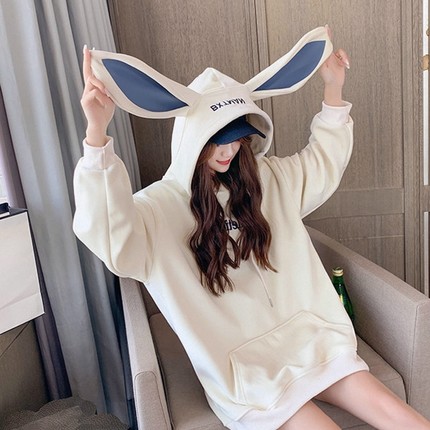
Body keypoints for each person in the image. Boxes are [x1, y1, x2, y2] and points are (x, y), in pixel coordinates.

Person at [73, 26, 430, 430]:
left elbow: (321, 163)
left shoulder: (265, 180)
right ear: (193, 138)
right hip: (246, 371)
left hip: (310, 338)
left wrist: (333, 88)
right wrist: (96, 136)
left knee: (401, 416)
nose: (228, 151)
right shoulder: (158, 210)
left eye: (237, 137)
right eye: (216, 140)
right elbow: (111, 235)